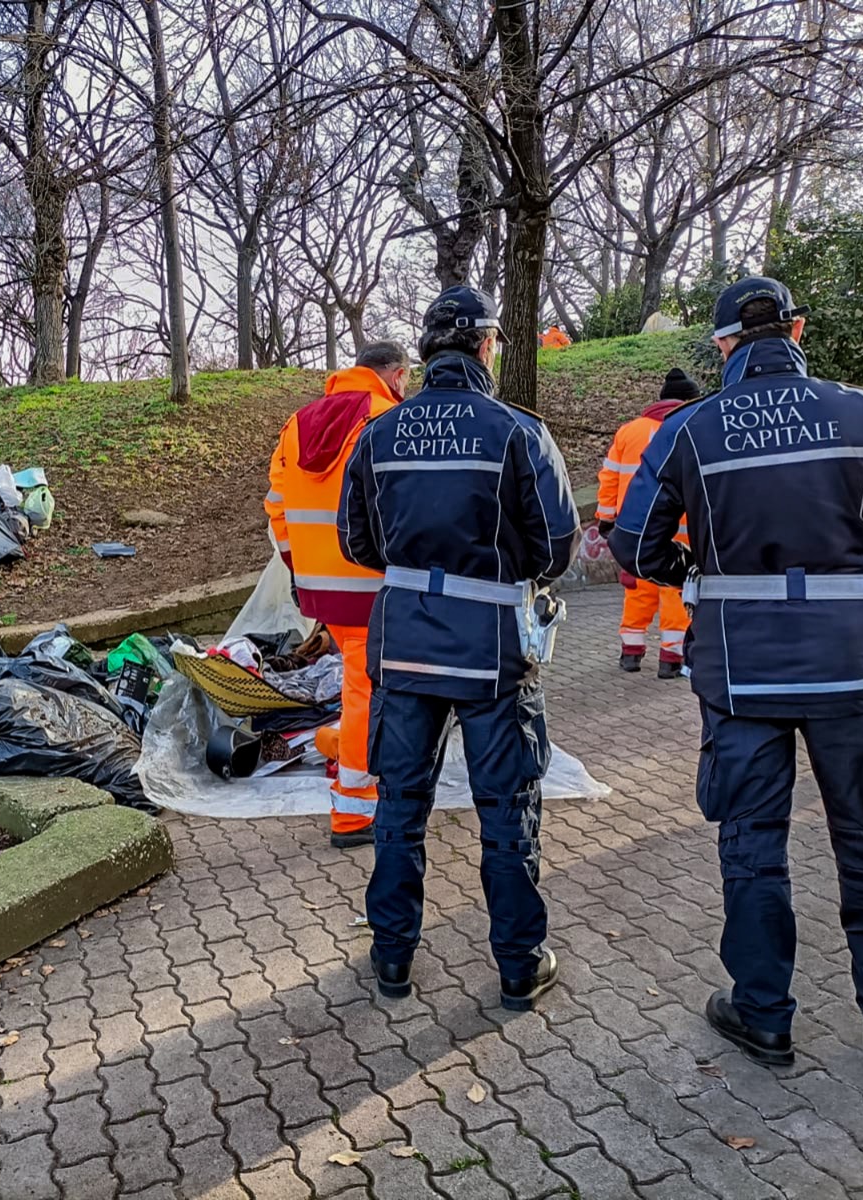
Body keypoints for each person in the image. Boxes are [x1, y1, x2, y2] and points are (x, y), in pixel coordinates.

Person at [608, 276, 863, 1065]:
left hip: (739, 670)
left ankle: (763, 1012)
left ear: (724, 345)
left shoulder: (690, 430)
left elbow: (633, 546)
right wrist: (857, 562)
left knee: (752, 841)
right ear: (796, 329)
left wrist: (693, 567)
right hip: (844, 665)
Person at [338, 287, 579, 1007]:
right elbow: (557, 546)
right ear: (484, 346)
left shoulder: (380, 432)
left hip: (404, 644)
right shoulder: (516, 430)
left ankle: (392, 959)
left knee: (399, 809)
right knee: (506, 811)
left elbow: (357, 543)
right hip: (493, 654)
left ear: (426, 351)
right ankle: (517, 966)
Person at [265, 340, 411, 848]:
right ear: (394, 376)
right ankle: (352, 810)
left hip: (323, 589)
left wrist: (298, 566)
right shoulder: (391, 419)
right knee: (370, 692)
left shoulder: (297, 424)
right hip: (378, 584)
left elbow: (276, 506)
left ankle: (337, 746)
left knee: (359, 686)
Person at [596, 368, 699, 677]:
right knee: (675, 595)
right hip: (683, 533)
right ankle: (671, 659)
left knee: (638, 591)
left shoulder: (629, 431)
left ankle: (631, 652)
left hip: (634, 530)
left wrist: (605, 518)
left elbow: (610, 477)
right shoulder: (691, 427)